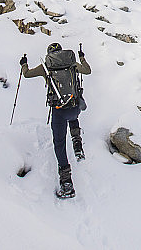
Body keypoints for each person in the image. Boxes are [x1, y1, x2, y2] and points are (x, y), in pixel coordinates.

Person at [20, 42, 91, 199]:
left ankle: (67, 183)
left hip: (59, 111)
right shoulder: (72, 62)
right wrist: (82, 58)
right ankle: (78, 147)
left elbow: (27, 74)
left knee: (59, 144)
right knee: (73, 115)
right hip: (75, 108)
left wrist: (24, 64)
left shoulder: (46, 66)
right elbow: (88, 70)